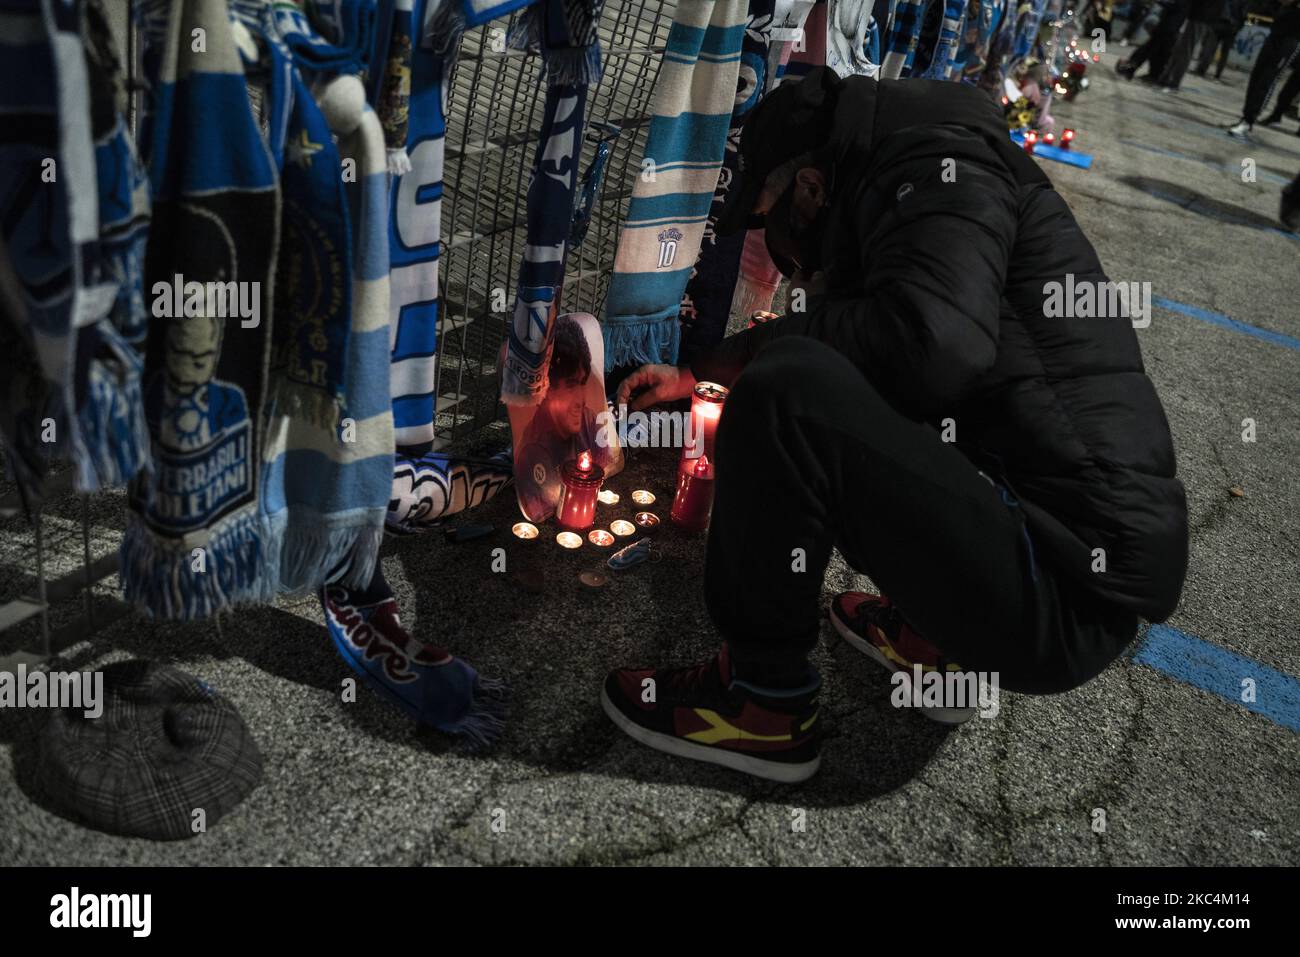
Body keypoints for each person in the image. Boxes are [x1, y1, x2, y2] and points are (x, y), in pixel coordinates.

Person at [600, 68, 1188, 783]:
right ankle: (941, 636)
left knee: (789, 391)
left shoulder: (942, 171)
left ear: (812, 189)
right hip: (1057, 561)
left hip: (1058, 590)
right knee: (828, 373)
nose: (779, 259)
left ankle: (762, 702)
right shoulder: (927, 162)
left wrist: (764, 357)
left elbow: (934, 345)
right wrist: (707, 368)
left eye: (770, 224)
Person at [1227, 0, 1300, 136]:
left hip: (1292, 38)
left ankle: (1249, 120)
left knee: (1268, 78)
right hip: (1276, 32)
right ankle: (1245, 117)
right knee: (1257, 76)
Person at [1157, 0, 1228, 89]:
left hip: (1200, 16)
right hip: (1205, 18)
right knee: (1181, 49)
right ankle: (1168, 77)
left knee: (1185, 50)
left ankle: (1173, 79)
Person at [1116, 0, 1190, 80]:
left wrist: (1160, 2)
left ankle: (1132, 68)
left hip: (1169, 26)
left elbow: (1176, 6)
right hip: (1170, 26)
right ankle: (1152, 74)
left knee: (1151, 48)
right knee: (1158, 51)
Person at [1194, 0, 1248, 78]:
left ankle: (1202, 70)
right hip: (1231, 27)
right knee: (1224, 53)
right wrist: (1238, 28)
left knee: (1210, 49)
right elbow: (1243, 15)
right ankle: (1217, 73)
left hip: (1218, 24)